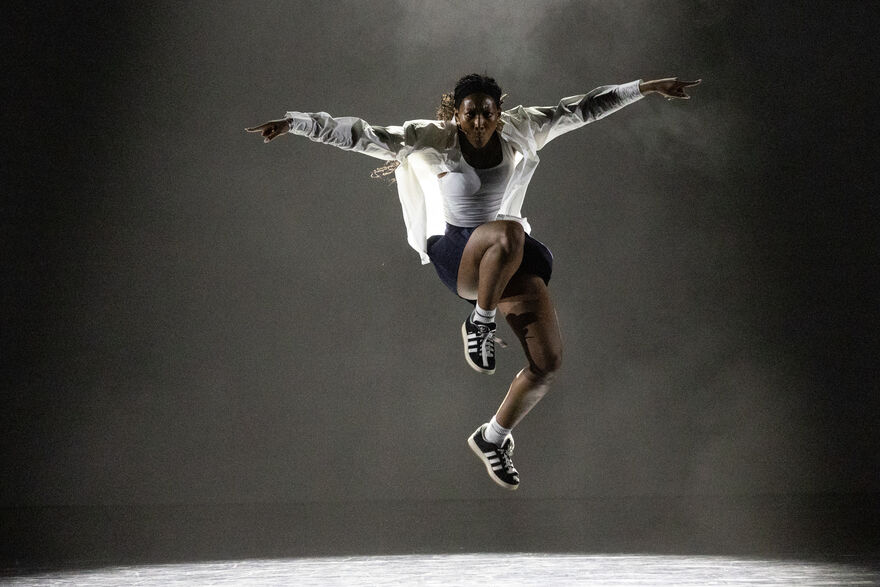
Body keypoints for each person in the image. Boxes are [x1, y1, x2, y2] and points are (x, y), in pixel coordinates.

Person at [246, 74, 701, 490]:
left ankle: (493, 436)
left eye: (487, 113)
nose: (480, 122)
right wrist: (296, 122)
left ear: (499, 113)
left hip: (507, 256)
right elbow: (360, 134)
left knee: (548, 364)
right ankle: (479, 324)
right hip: (458, 253)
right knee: (508, 231)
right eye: (470, 114)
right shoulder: (431, 137)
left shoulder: (522, 128)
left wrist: (645, 87)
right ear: (456, 116)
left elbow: (581, 108)